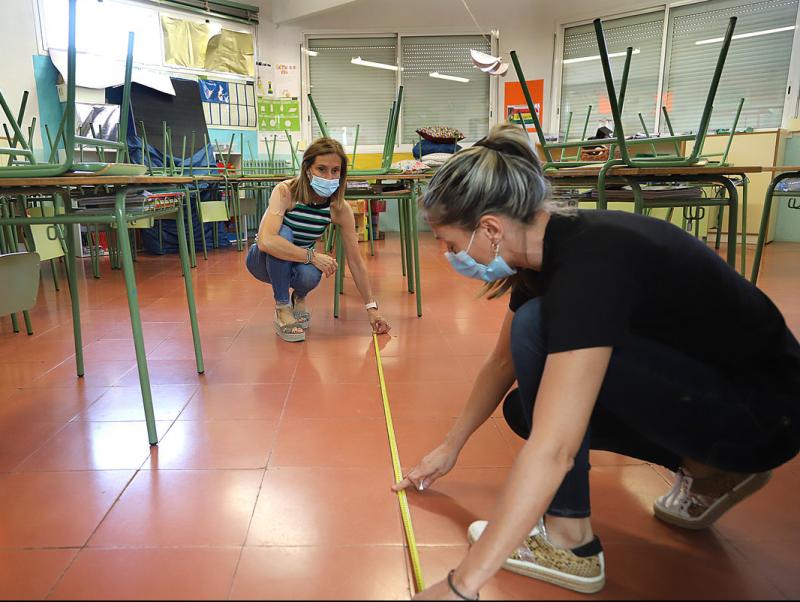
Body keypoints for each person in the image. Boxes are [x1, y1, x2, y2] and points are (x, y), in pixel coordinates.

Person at [395, 123, 800, 599]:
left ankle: (572, 541)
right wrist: (449, 448)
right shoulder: (547, 251)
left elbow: (555, 449)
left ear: (490, 227)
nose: (447, 255)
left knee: (540, 347)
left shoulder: (591, 269)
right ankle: (711, 470)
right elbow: (501, 364)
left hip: (766, 417)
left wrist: (461, 586)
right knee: (523, 404)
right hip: (717, 393)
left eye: (447, 242)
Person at [246, 137, 391, 341]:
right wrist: (312, 256)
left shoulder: (339, 209)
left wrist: (371, 308)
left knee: (311, 276)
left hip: (298, 262)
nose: (329, 176)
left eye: (335, 171)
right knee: (283, 234)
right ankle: (282, 308)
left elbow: (356, 261)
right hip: (261, 261)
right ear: (307, 169)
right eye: (321, 169)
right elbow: (266, 241)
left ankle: (299, 297)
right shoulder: (286, 191)